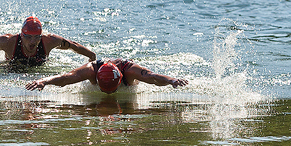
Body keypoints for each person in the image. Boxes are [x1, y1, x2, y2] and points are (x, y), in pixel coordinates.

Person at [0, 16, 96, 67]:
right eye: (28, 37)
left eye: (36, 37)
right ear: (21, 35)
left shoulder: (49, 41)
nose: (33, 41)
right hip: (11, 69)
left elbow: (73, 46)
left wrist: (91, 56)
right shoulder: (8, 42)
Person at [26, 57, 188, 93]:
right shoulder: (91, 70)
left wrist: (172, 80)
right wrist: (43, 81)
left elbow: (152, 77)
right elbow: (66, 78)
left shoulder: (130, 71)